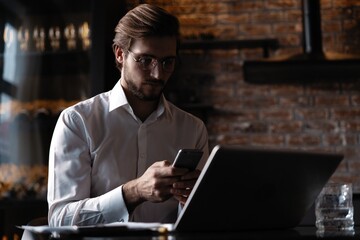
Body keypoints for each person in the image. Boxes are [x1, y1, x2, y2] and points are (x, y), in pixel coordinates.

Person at [47, 3, 209, 227]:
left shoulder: (193, 129)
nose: (157, 73)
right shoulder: (77, 121)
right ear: (120, 54)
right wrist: (134, 192)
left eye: (167, 62)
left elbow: (200, 222)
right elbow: (59, 220)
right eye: (145, 60)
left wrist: (194, 201)